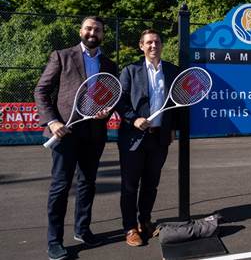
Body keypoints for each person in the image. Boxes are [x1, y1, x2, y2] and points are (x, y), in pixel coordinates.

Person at [34, 16, 118, 260]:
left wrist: (106, 112)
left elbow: (110, 98)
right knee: (61, 187)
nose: (93, 33)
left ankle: (82, 230)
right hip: (65, 133)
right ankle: (54, 241)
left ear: (103, 34)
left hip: (94, 134)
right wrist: (53, 121)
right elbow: (41, 90)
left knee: (87, 185)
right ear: (81, 31)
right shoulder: (62, 56)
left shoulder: (109, 64)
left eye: (98, 30)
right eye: (89, 28)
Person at [116, 29, 179, 246]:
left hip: (159, 139)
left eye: (157, 42)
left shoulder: (172, 71)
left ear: (162, 45)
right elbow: (120, 102)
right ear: (141, 46)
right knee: (130, 186)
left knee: (151, 185)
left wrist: (172, 128)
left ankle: (145, 221)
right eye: (149, 42)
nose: (153, 46)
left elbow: (176, 104)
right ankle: (130, 228)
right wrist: (134, 119)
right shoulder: (130, 71)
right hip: (133, 138)